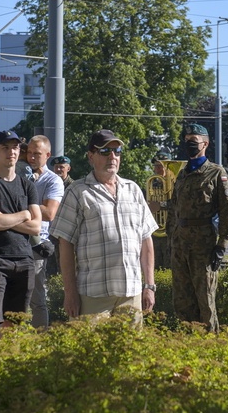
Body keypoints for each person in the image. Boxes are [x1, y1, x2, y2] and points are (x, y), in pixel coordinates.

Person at [49, 129, 158, 325]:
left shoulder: (133, 190)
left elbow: (146, 241)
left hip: (130, 294)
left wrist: (149, 286)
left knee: (131, 353)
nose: (112, 157)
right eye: (105, 152)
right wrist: (70, 292)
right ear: (91, 156)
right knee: (89, 353)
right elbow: (65, 245)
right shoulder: (77, 192)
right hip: (93, 294)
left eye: (117, 151)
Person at [166, 124, 228, 332]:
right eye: (187, 140)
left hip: (203, 244)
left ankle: (209, 345)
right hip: (180, 244)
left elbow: (226, 212)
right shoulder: (183, 173)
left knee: (205, 300)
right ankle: (187, 343)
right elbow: (173, 207)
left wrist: (221, 245)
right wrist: (172, 238)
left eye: (194, 141)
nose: (189, 144)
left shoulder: (215, 172)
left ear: (205, 143)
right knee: (182, 300)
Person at [0, 130, 41, 334]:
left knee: (14, 326)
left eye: (15, 147)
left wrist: (3, 216)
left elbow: (36, 226)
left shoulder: (28, 186)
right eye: (5, 148)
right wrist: (23, 214)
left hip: (24, 260)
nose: (11, 152)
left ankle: (4, 365)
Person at [25, 135, 64, 328]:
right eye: (29, 153)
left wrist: (22, 205)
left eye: (37, 154)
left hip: (35, 245)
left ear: (47, 155)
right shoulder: (19, 176)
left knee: (36, 298)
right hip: (13, 241)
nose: (31, 157)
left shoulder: (53, 180)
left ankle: (40, 342)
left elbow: (49, 213)